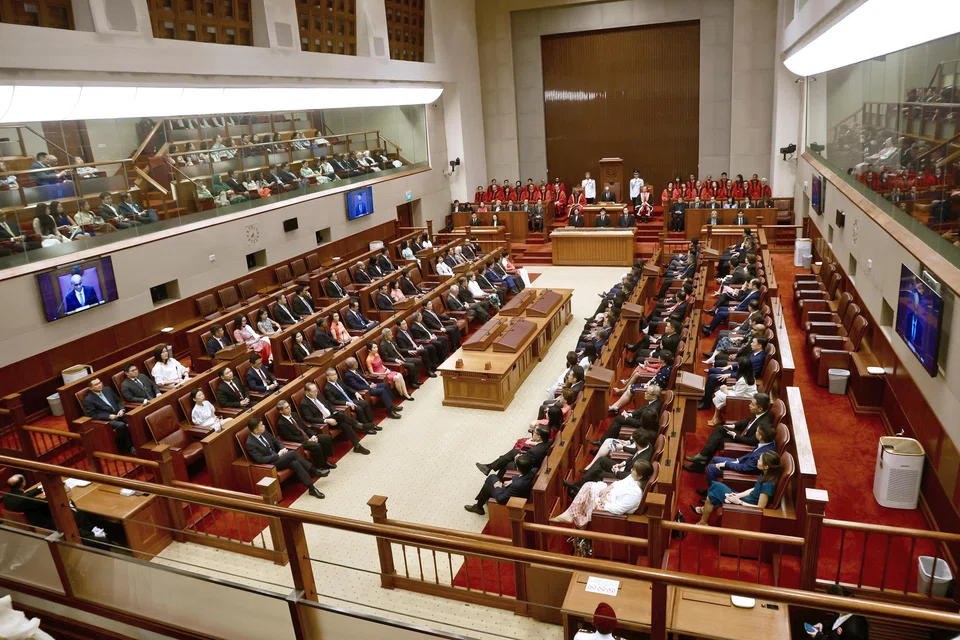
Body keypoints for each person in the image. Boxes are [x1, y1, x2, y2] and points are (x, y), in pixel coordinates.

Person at [552, 459, 653, 528]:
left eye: (634, 469)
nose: (631, 470)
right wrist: (607, 489)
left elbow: (618, 509)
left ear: (640, 477)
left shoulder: (635, 494)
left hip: (611, 507)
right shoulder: (633, 477)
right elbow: (619, 483)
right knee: (589, 485)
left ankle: (576, 519)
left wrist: (604, 501)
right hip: (609, 495)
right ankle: (571, 515)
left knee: (591, 497)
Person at [685, 393, 772, 472]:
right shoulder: (760, 413)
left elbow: (752, 441)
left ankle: (700, 462)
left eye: (752, 405)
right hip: (743, 433)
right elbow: (747, 421)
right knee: (719, 430)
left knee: (719, 438)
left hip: (745, 442)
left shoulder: (764, 423)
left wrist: (735, 436)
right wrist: (734, 425)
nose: (749, 405)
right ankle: (701, 459)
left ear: (760, 408)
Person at [693, 450, 781, 525]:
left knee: (715, 488)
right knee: (715, 490)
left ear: (766, 466)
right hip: (744, 499)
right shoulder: (765, 474)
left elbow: (760, 508)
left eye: (760, 460)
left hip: (747, 505)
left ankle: (703, 519)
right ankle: (703, 520)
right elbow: (754, 489)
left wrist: (739, 502)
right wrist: (737, 495)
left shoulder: (768, 485)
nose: (757, 461)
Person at [245, 418, 325, 499]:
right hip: (270, 464)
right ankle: (313, 470)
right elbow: (260, 459)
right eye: (261, 425)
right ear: (255, 431)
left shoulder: (264, 432)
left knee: (295, 463)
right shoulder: (250, 444)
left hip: (279, 457)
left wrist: (283, 448)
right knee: (293, 453)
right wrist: (278, 455)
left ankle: (312, 489)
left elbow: (276, 441)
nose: (264, 426)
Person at [298, 382, 373, 453]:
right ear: (307, 392)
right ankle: (360, 425)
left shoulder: (318, 395)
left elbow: (328, 403)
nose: (316, 392)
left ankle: (357, 446)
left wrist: (334, 411)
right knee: (340, 415)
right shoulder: (304, 404)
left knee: (345, 424)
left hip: (333, 416)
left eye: (316, 390)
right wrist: (326, 420)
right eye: (313, 391)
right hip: (324, 423)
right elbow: (309, 418)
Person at [698, 336, 766, 410]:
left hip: (740, 376)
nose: (751, 344)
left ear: (759, 346)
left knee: (712, 377)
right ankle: (707, 396)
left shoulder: (758, 359)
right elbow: (743, 363)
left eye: (753, 342)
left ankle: (706, 403)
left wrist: (729, 375)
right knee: (712, 370)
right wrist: (731, 366)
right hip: (739, 372)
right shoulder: (755, 353)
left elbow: (751, 374)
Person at [464, 453, 538, 516]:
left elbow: (501, 499)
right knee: (491, 481)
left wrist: (498, 487)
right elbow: (524, 477)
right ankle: (480, 504)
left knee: (491, 478)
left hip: (513, 499)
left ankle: (479, 506)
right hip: (521, 491)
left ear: (517, 469)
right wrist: (512, 480)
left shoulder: (517, 485)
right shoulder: (534, 470)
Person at [274, 399, 334, 472]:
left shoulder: (294, 414)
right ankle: (319, 466)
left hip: (308, 437)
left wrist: (313, 435)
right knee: (316, 445)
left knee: (326, 438)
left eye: (289, 406)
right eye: (286, 408)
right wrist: (308, 440)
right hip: (300, 442)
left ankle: (325, 461)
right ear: (281, 411)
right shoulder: (281, 424)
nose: (289, 408)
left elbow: (305, 427)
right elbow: (291, 438)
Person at [82, 378, 134, 454]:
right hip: (107, 420)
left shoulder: (108, 390)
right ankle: (129, 447)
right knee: (121, 425)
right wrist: (108, 416)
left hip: (120, 414)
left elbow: (118, 401)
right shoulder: (88, 400)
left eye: (100, 383)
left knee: (132, 419)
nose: (99, 385)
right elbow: (92, 415)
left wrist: (122, 409)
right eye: (96, 384)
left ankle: (138, 442)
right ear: (90, 388)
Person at [707, 355, 757, 425]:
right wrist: (727, 388)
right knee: (719, 392)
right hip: (743, 394)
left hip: (745, 399)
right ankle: (717, 417)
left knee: (719, 395)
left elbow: (737, 395)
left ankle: (717, 418)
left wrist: (725, 391)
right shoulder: (749, 374)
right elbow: (738, 387)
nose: (737, 366)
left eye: (738, 365)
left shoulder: (743, 380)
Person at [805, 584, 869, 639]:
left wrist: (819, 636)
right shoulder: (842, 611)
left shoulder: (854, 628)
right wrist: (822, 625)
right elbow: (833, 623)